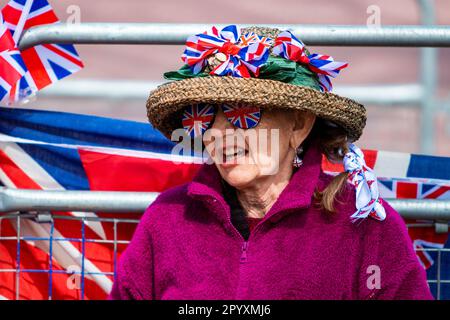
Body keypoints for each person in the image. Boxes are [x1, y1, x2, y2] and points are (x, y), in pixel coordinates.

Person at [109, 25, 433, 300]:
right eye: (206, 116)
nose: (218, 134)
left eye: (242, 113)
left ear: (299, 126)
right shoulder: (168, 218)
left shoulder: (364, 226)